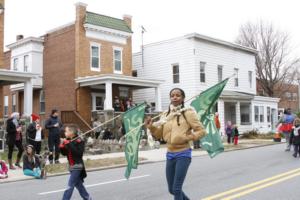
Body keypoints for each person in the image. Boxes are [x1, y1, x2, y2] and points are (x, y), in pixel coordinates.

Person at [145, 88, 207, 200]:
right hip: (170, 153)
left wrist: (188, 137)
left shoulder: (188, 112)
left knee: (177, 188)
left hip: (183, 153)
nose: (175, 97)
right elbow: (159, 135)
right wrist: (151, 126)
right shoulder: (165, 114)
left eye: (178, 95)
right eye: (172, 95)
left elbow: (201, 131)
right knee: (171, 189)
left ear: (183, 98)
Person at [60, 124, 92, 200]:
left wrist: (69, 144)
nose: (65, 133)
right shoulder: (68, 141)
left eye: (66, 131)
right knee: (79, 185)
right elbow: (65, 153)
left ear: (71, 132)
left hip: (77, 166)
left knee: (70, 186)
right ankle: (87, 197)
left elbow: (78, 154)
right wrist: (62, 147)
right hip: (71, 166)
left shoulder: (79, 141)